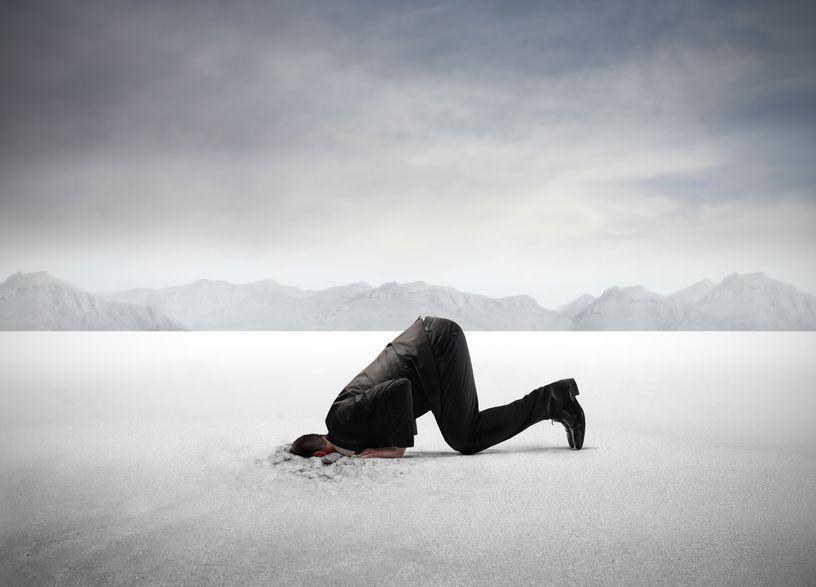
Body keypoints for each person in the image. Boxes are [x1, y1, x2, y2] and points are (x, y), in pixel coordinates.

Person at [289, 315, 585, 458]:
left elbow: (399, 389)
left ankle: (556, 400)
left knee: (466, 438)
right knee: (465, 435)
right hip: (431, 353)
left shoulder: (342, 421)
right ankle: (555, 399)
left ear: (319, 454)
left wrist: (396, 448)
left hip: (436, 346)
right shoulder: (344, 426)